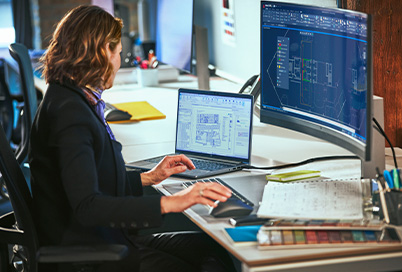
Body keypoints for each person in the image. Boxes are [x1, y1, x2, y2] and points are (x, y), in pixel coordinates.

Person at [29, 5, 236, 272]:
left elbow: (88, 179)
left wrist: (150, 177)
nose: (118, 61)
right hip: (92, 250)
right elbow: (88, 206)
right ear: (102, 52)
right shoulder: (70, 116)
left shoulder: (71, 96)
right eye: (117, 53)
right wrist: (172, 201)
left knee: (212, 250)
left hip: (108, 238)